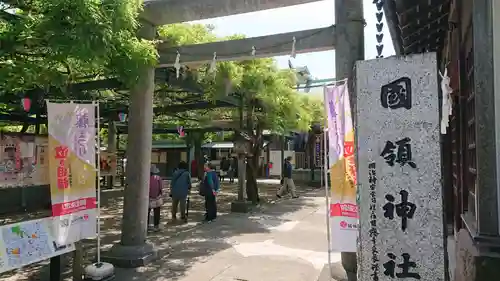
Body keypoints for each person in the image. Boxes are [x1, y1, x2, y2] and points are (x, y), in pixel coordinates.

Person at [148, 164, 164, 231]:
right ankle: (156, 226)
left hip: (148, 198)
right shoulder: (158, 178)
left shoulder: (146, 178)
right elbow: (161, 188)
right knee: (157, 212)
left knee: (147, 212)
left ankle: (146, 225)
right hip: (157, 198)